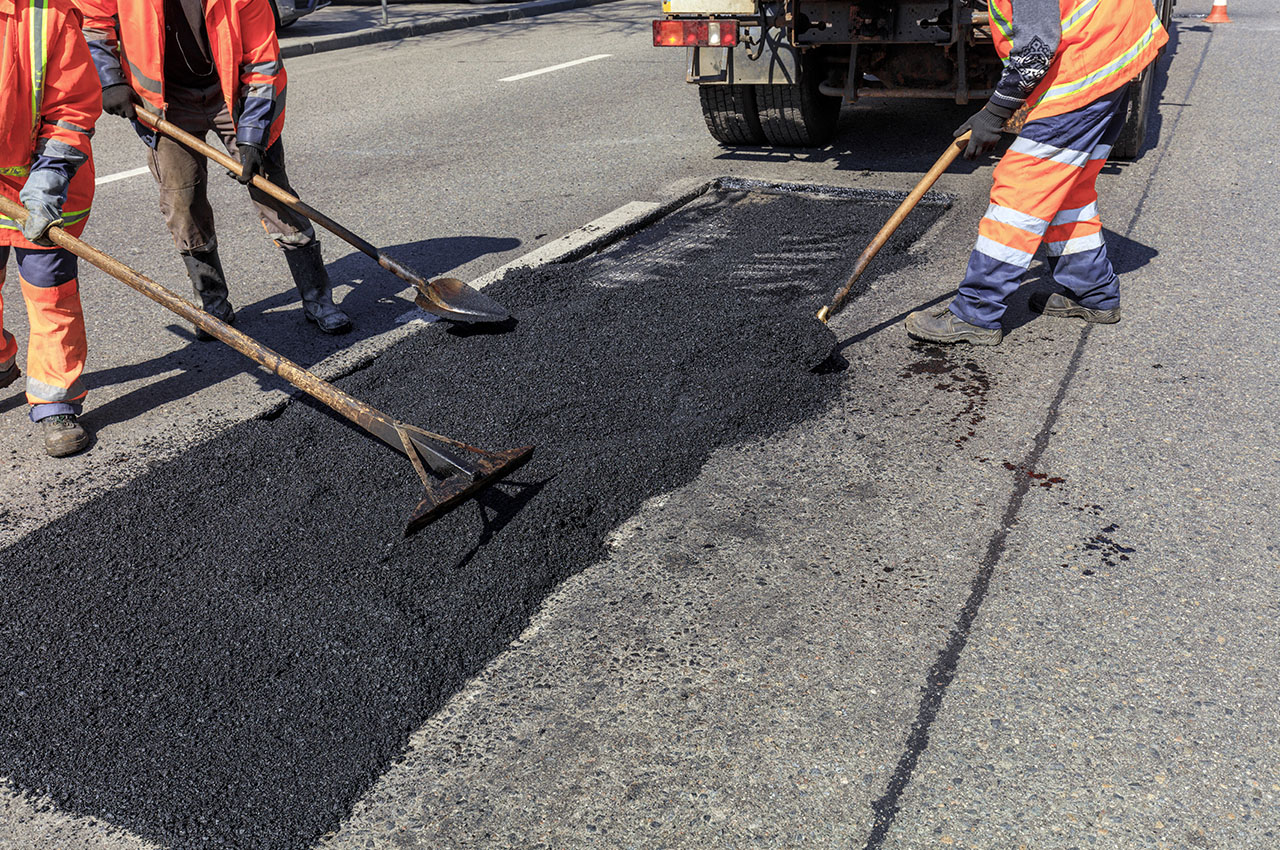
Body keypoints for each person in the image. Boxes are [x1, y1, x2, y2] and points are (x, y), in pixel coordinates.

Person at [77, 0, 352, 336]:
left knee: (274, 195)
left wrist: (251, 139)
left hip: (234, 94)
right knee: (183, 204)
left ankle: (318, 298)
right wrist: (109, 79)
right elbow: (92, 21)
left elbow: (262, 62)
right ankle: (213, 305)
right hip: (167, 102)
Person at [905, 0, 1168, 346]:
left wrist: (994, 114)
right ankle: (1094, 292)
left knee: (1022, 188)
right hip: (1113, 47)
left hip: (1089, 61)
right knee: (1068, 188)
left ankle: (975, 313)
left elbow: (1035, 50)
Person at [1, 0, 102, 457]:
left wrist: (44, 186)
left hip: (43, 185)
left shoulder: (47, 15)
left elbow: (72, 107)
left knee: (49, 292)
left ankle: (55, 400)